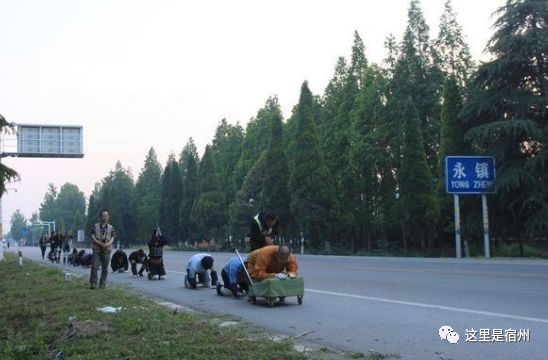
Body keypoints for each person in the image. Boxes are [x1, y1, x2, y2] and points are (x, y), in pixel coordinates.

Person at [89, 209, 115, 289]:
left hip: (107, 250)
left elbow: (113, 237)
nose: (104, 217)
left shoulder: (111, 227)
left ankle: (102, 284)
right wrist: (99, 243)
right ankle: (93, 283)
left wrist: (108, 244)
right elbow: (92, 236)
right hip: (97, 250)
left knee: (105, 268)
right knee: (94, 267)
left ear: (108, 217)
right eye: (103, 216)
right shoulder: (95, 226)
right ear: (100, 217)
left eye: (106, 216)